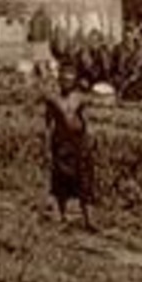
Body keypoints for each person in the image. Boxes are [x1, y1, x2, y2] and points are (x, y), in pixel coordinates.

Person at [43, 62, 97, 230]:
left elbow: (87, 122)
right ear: (59, 80)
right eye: (63, 79)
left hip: (78, 143)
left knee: (85, 182)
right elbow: (48, 126)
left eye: (70, 79)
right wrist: (46, 149)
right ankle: (62, 215)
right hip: (60, 143)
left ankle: (89, 220)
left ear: (74, 81)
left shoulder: (79, 99)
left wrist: (91, 138)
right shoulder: (52, 100)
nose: (66, 82)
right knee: (61, 181)